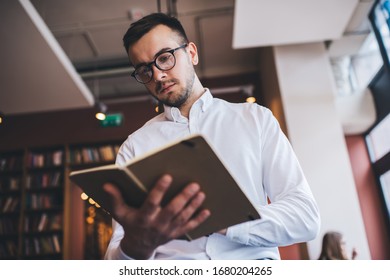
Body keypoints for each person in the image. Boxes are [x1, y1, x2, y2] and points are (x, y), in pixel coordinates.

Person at [103, 12, 320, 260]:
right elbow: (116, 255)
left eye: (164, 58)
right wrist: (136, 247)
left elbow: (305, 218)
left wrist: (224, 220)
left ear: (192, 53)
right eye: (144, 70)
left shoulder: (256, 119)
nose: (158, 75)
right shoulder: (135, 146)